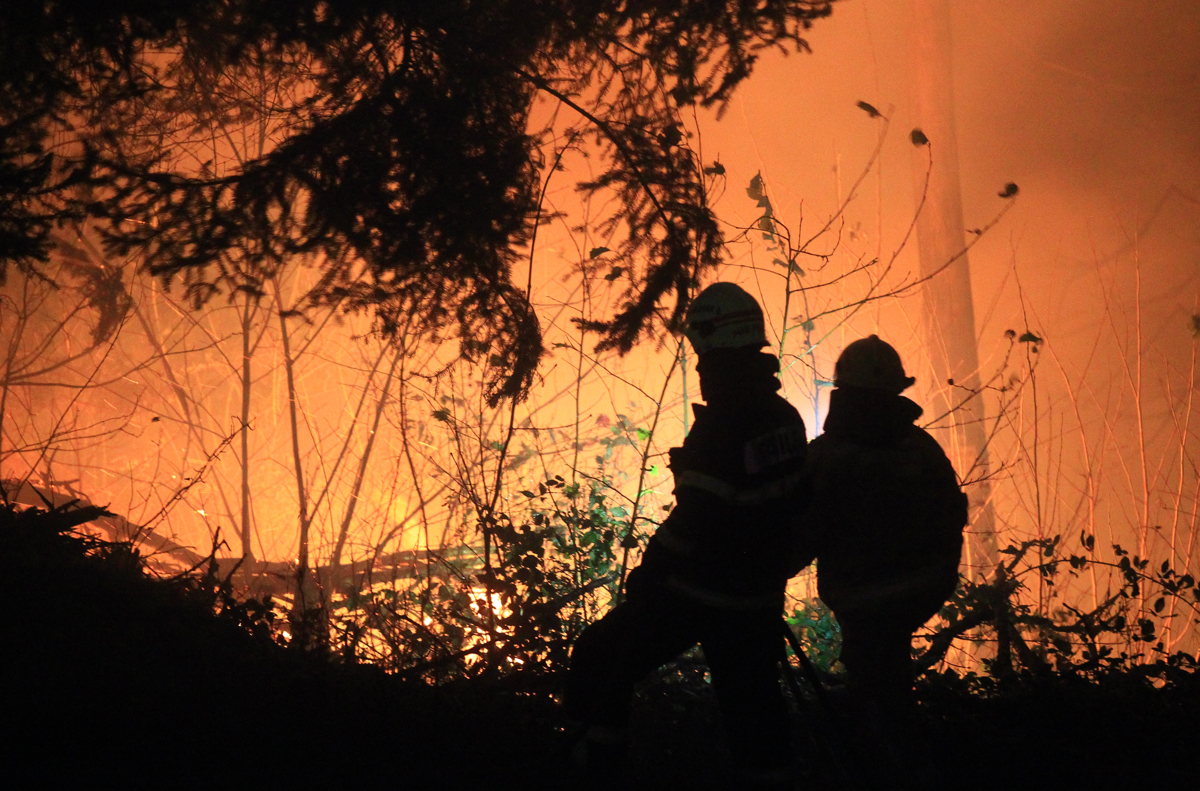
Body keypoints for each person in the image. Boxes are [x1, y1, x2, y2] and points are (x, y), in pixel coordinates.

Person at [564, 282, 809, 789]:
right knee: (756, 718)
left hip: (699, 593)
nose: (699, 368)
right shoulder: (784, 417)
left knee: (599, 658)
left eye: (702, 356)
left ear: (717, 348)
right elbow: (782, 505)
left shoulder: (722, 425)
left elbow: (698, 520)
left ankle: (599, 771)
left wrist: (650, 573)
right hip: (756, 598)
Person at [802, 335, 968, 783]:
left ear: (843, 391)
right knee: (887, 685)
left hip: (862, 600)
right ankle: (902, 762)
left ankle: (885, 767)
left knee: (877, 694)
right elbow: (950, 522)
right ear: (896, 390)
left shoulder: (828, 457)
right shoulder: (923, 451)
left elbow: (801, 532)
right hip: (918, 591)